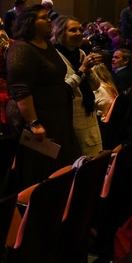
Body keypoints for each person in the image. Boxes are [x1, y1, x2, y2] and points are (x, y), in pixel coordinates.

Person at [6, 5, 80, 188]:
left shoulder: (47, 45)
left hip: (56, 116)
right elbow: (21, 89)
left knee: (58, 165)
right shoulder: (22, 48)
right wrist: (34, 123)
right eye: (43, 18)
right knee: (39, 167)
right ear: (30, 23)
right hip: (37, 118)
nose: (49, 20)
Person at [51, 16, 103, 157]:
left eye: (80, 29)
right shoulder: (55, 56)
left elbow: (96, 85)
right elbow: (63, 89)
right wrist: (82, 70)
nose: (79, 33)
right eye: (73, 30)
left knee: (94, 157)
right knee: (78, 159)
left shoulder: (80, 53)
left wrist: (89, 69)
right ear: (60, 33)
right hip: (72, 115)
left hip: (88, 111)